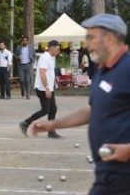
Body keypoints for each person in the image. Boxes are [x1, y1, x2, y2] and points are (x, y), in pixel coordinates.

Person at [29, 14, 129, 194]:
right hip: (107, 170)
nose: (87, 45)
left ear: (110, 39)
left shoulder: (127, 69)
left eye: (91, 38)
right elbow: (92, 110)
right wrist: (52, 124)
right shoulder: (102, 70)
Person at [19, 40, 62, 139]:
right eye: (57, 49)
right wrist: (47, 88)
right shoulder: (45, 57)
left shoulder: (52, 58)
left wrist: (51, 86)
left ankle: (51, 131)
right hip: (43, 88)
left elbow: (49, 73)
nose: (58, 51)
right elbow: (42, 73)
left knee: (53, 109)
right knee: (45, 110)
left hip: (49, 87)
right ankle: (25, 123)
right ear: (51, 48)